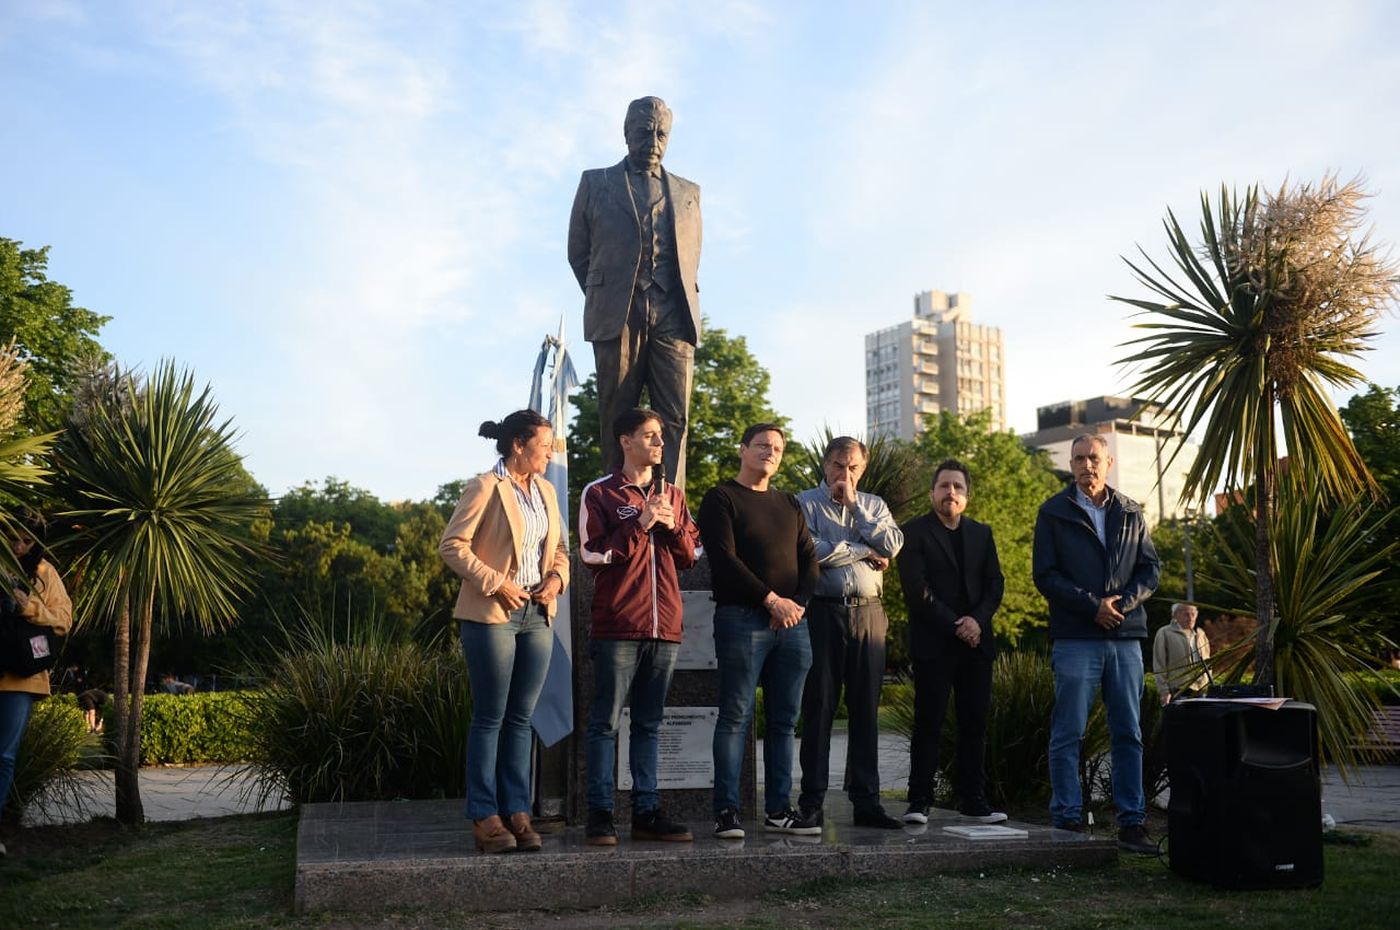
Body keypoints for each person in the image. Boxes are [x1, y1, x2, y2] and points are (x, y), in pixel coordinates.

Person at [439, 410, 570, 854]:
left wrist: (556, 580)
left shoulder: (548, 491)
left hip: (539, 615)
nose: (550, 452)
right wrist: (496, 582)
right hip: (492, 615)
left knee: (522, 718)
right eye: (545, 445)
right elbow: (451, 546)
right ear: (519, 444)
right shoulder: (485, 486)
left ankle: (517, 810)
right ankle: (484, 815)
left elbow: (562, 550)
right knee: (491, 716)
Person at [1033, 434, 1160, 854]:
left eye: (1095, 458)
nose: (1087, 465)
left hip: (1124, 637)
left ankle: (1132, 823)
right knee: (1067, 733)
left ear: (1108, 462)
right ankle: (1067, 821)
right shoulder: (1052, 512)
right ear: (1070, 464)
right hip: (1076, 638)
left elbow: (1150, 570)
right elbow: (1045, 576)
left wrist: (1118, 605)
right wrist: (1092, 607)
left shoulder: (1131, 511)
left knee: (1129, 732)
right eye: (1080, 459)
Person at [579, 408, 700, 845]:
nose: (658, 444)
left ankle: (646, 811)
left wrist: (668, 527)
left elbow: (691, 556)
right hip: (617, 627)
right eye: (649, 436)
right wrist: (641, 524)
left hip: (664, 626)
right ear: (625, 441)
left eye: (661, 438)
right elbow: (592, 554)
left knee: (650, 724)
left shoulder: (676, 496)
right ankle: (600, 814)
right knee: (606, 722)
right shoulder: (601, 493)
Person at [568, 96, 702, 488]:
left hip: (674, 313)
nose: (653, 141)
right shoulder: (596, 183)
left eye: (661, 133)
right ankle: (617, 500)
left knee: (675, 416)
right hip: (619, 313)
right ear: (627, 133)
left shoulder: (688, 192)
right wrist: (608, 296)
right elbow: (579, 253)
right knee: (617, 411)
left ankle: (671, 505)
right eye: (644, 132)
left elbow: (692, 255)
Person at [698, 423, 820, 839]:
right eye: (762, 445)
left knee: (785, 722)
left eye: (778, 448)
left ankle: (779, 811)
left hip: (793, 625)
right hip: (742, 619)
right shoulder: (721, 498)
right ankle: (727, 811)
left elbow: (810, 560)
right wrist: (772, 601)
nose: (771, 452)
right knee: (735, 715)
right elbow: (724, 559)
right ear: (743, 449)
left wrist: (796, 606)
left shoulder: (789, 503)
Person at [795, 436, 904, 829]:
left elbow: (892, 543)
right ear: (825, 465)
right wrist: (863, 550)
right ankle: (811, 802)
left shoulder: (873, 505)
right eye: (839, 465)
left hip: (870, 615)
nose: (845, 473)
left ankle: (867, 802)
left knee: (865, 711)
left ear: (863, 468)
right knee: (819, 708)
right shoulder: (804, 502)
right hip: (823, 615)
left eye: (853, 467)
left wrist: (856, 507)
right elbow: (811, 551)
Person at [897, 459, 1007, 825]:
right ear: (933, 493)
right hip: (934, 644)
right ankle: (919, 800)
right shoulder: (913, 532)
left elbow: (995, 584)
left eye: (957, 487)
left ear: (967, 496)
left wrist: (977, 621)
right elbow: (917, 591)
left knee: (974, 724)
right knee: (928, 723)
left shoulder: (982, 533)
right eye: (944, 486)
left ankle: (973, 800)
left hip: (977, 644)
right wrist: (957, 624)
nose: (951, 493)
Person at [1, 512, 72, 856]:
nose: (18, 546)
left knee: (4, 756)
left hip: (20, 679)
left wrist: (28, 606)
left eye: (26, 540)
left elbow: (63, 619)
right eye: (12, 538)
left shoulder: (44, 572)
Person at [1153, 603, 1211, 704]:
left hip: (1201, 689)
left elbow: (1208, 661)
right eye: (1186, 614)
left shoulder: (1200, 633)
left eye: (1193, 614)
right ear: (1175, 615)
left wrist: (1207, 682)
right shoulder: (1164, 633)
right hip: (1178, 690)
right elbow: (1159, 665)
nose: (1190, 618)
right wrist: (1164, 692)